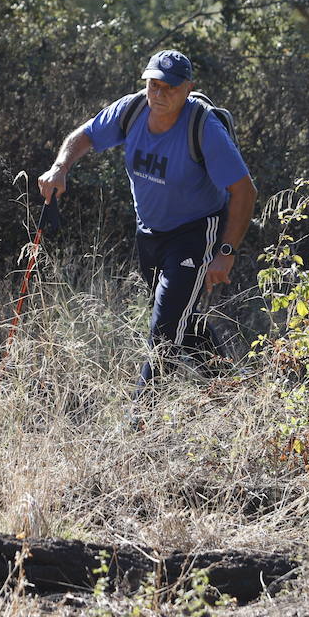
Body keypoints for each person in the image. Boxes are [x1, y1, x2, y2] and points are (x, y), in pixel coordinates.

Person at [38, 49, 256, 386]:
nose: (159, 93)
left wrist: (225, 254)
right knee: (181, 317)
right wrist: (60, 167)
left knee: (165, 330)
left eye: (169, 87)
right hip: (150, 234)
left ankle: (140, 420)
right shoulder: (133, 109)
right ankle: (230, 386)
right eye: (154, 84)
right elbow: (84, 136)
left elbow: (244, 191)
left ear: (187, 88)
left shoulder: (204, 127)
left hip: (196, 231)